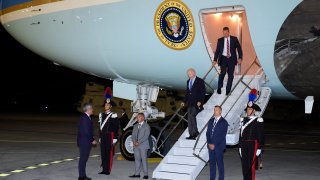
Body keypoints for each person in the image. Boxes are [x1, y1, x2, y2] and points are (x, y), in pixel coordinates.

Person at [213, 26, 243, 95]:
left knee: (230, 75)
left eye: (226, 33)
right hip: (223, 59)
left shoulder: (234, 39)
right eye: (223, 33)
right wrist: (215, 59)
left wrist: (240, 58)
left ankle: (228, 91)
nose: (225, 34)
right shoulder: (220, 40)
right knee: (222, 73)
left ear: (229, 32)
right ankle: (219, 88)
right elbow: (217, 51)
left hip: (231, 59)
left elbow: (239, 49)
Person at [239, 101, 264, 180]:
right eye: (247, 109)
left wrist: (259, 148)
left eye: (250, 109)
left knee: (251, 165)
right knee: (244, 165)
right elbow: (241, 134)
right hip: (243, 144)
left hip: (252, 144)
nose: (248, 111)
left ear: (254, 111)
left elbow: (261, 135)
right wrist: (240, 146)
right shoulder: (243, 120)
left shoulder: (258, 121)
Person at [181, 68, 206, 140]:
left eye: (190, 73)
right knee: (189, 119)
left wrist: (200, 101)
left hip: (197, 103)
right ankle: (191, 134)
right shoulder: (188, 81)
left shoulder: (200, 81)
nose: (189, 75)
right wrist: (184, 101)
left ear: (194, 73)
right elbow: (187, 93)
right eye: (188, 74)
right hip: (190, 103)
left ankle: (195, 132)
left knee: (192, 116)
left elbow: (202, 92)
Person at [206, 105, 229, 180]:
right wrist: (209, 143)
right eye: (214, 110)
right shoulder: (211, 120)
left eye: (216, 110)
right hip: (210, 146)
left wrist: (214, 144)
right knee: (212, 164)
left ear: (220, 111)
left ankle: (221, 178)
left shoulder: (224, 122)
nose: (215, 111)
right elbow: (208, 133)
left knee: (220, 164)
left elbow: (222, 135)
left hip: (218, 146)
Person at [98, 101, 119, 175]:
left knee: (108, 153)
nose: (106, 106)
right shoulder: (101, 115)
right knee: (103, 153)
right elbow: (100, 127)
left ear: (110, 106)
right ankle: (104, 169)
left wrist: (115, 138)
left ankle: (108, 170)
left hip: (110, 136)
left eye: (107, 105)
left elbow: (116, 127)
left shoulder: (113, 115)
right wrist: (100, 136)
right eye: (105, 104)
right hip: (103, 136)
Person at [77, 103, 97, 180]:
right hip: (85, 142)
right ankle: (81, 176)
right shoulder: (85, 118)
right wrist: (92, 140)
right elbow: (86, 131)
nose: (93, 110)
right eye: (92, 109)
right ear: (88, 109)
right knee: (83, 159)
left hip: (85, 141)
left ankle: (83, 175)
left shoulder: (86, 117)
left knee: (84, 159)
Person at [129, 113, 151, 179]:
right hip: (136, 146)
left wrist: (139, 142)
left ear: (143, 118)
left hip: (143, 146)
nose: (137, 118)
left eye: (138, 117)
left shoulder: (147, 126)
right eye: (137, 117)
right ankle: (137, 174)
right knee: (137, 160)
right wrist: (134, 141)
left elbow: (146, 136)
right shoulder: (135, 126)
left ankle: (146, 174)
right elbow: (132, 135)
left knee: (144, 160)